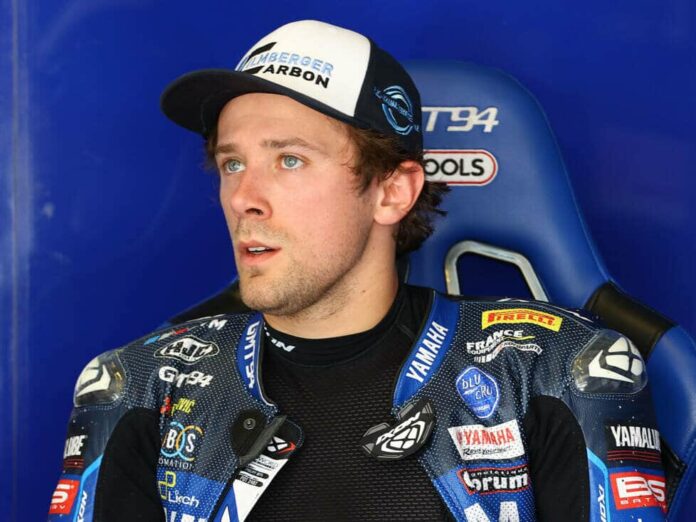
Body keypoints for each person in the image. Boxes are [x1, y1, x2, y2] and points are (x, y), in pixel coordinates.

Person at [48, 20, 667, 522]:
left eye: (289, 160)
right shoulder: (140, 386)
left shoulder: (557, 371)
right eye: (232, 164)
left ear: (392, 192)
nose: (244, 198)